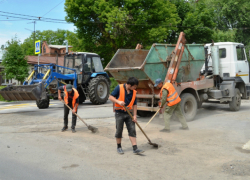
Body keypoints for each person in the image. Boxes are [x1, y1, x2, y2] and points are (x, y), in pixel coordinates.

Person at [109, 77, 144, 155]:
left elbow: (135, 104)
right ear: (129, 85)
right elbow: (110, 97)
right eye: (134, 86)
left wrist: (135, 115)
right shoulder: (119, 87)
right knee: (119, 130)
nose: (135, 88)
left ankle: (135, 148)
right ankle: (119, 147)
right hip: (119, 113)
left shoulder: (134, 92)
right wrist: (118, 101)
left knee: (132, 130)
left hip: (129, 113)